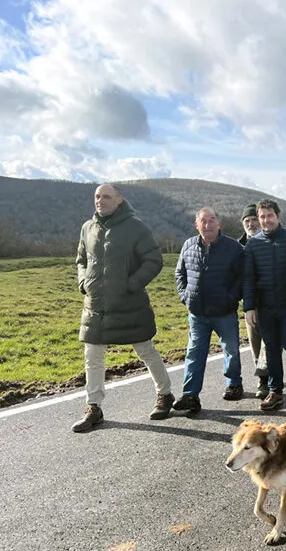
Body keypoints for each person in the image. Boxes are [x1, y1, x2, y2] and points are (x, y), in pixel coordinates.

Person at [72, 184, 174, 433]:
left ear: (119, 200)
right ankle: (93, 407)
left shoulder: (135, 227)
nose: (100, 200)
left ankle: (165, 394)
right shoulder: (88, 227)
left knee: (145, 350)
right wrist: (83, 282)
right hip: (96, 305)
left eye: (106, 196)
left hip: (129, 304)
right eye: (97, 196)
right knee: (92, 357)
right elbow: (81, 259)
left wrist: (132, 284)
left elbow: (153, 259)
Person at [243, 199, 286, 412]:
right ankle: (276, 392)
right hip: (264, 306)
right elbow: (248, 278)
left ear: (278, 216)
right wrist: (249, 307)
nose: (265, 220)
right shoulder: (253, 244)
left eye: (269, 215)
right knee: (272, 348)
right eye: (262, 217)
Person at [173, 207, 244, 414]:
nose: (208, 224)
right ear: (197, 225)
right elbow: (180, 273)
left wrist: (231, 298)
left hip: (224, 312)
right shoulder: (188, 245)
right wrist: (185, 297)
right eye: (203, 221)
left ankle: (234, 383)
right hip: (197, 313)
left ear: (219, 223)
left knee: (231, 349)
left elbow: (242, 277)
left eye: (212, 220)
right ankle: (190, 395)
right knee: (194, 353)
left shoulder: (233, 248)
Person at [239, 203, 269, 392]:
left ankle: (265, 380)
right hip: (249, 302)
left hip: (271, 301)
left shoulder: (269, 241)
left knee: (269, 342)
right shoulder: (237, 246)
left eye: (253, 220)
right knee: (254, 342)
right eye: (247, 220)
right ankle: (263, 376)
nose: (250, 224)